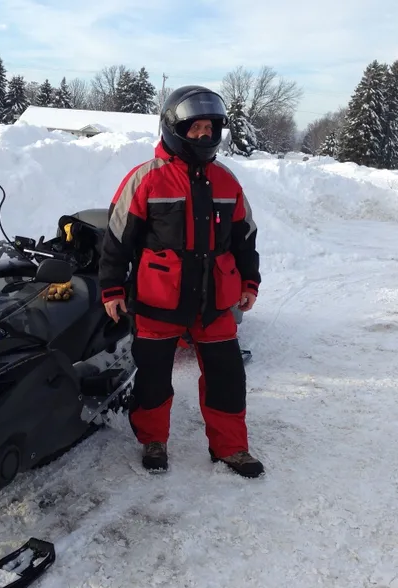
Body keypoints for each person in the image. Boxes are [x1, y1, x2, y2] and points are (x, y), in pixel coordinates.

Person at [98, 85, 264, 478]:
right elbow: (117, 240)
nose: (204, 135)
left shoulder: (226, 181)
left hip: (215, 301)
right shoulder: (146, 179)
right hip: (159, 300)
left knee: (227, 377)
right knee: (154, 379)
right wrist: (112, 288)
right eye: (195, 128)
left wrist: (249, 282)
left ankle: (231, 448)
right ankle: (153, 440)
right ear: (175, 129)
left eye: (210, 128)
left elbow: (245, 238)